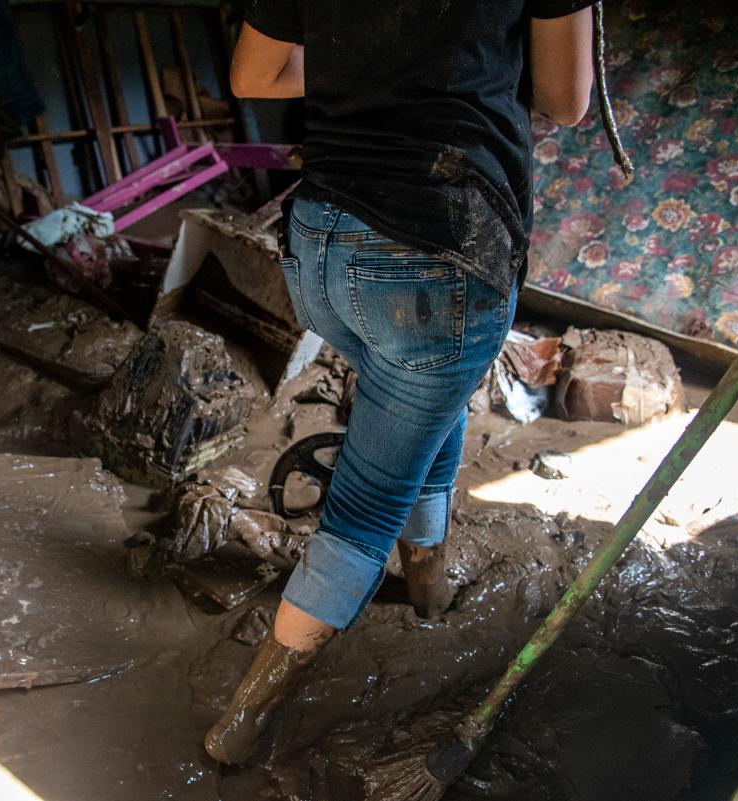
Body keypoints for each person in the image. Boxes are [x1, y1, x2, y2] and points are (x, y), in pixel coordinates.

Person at [204, 0, 598, 765]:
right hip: (436, 248)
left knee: (428, 405)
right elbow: (566, 100)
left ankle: (428, 588)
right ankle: (239, 723)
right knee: (364, 506)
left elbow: (254, 74)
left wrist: (375, 60)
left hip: (318, 248)